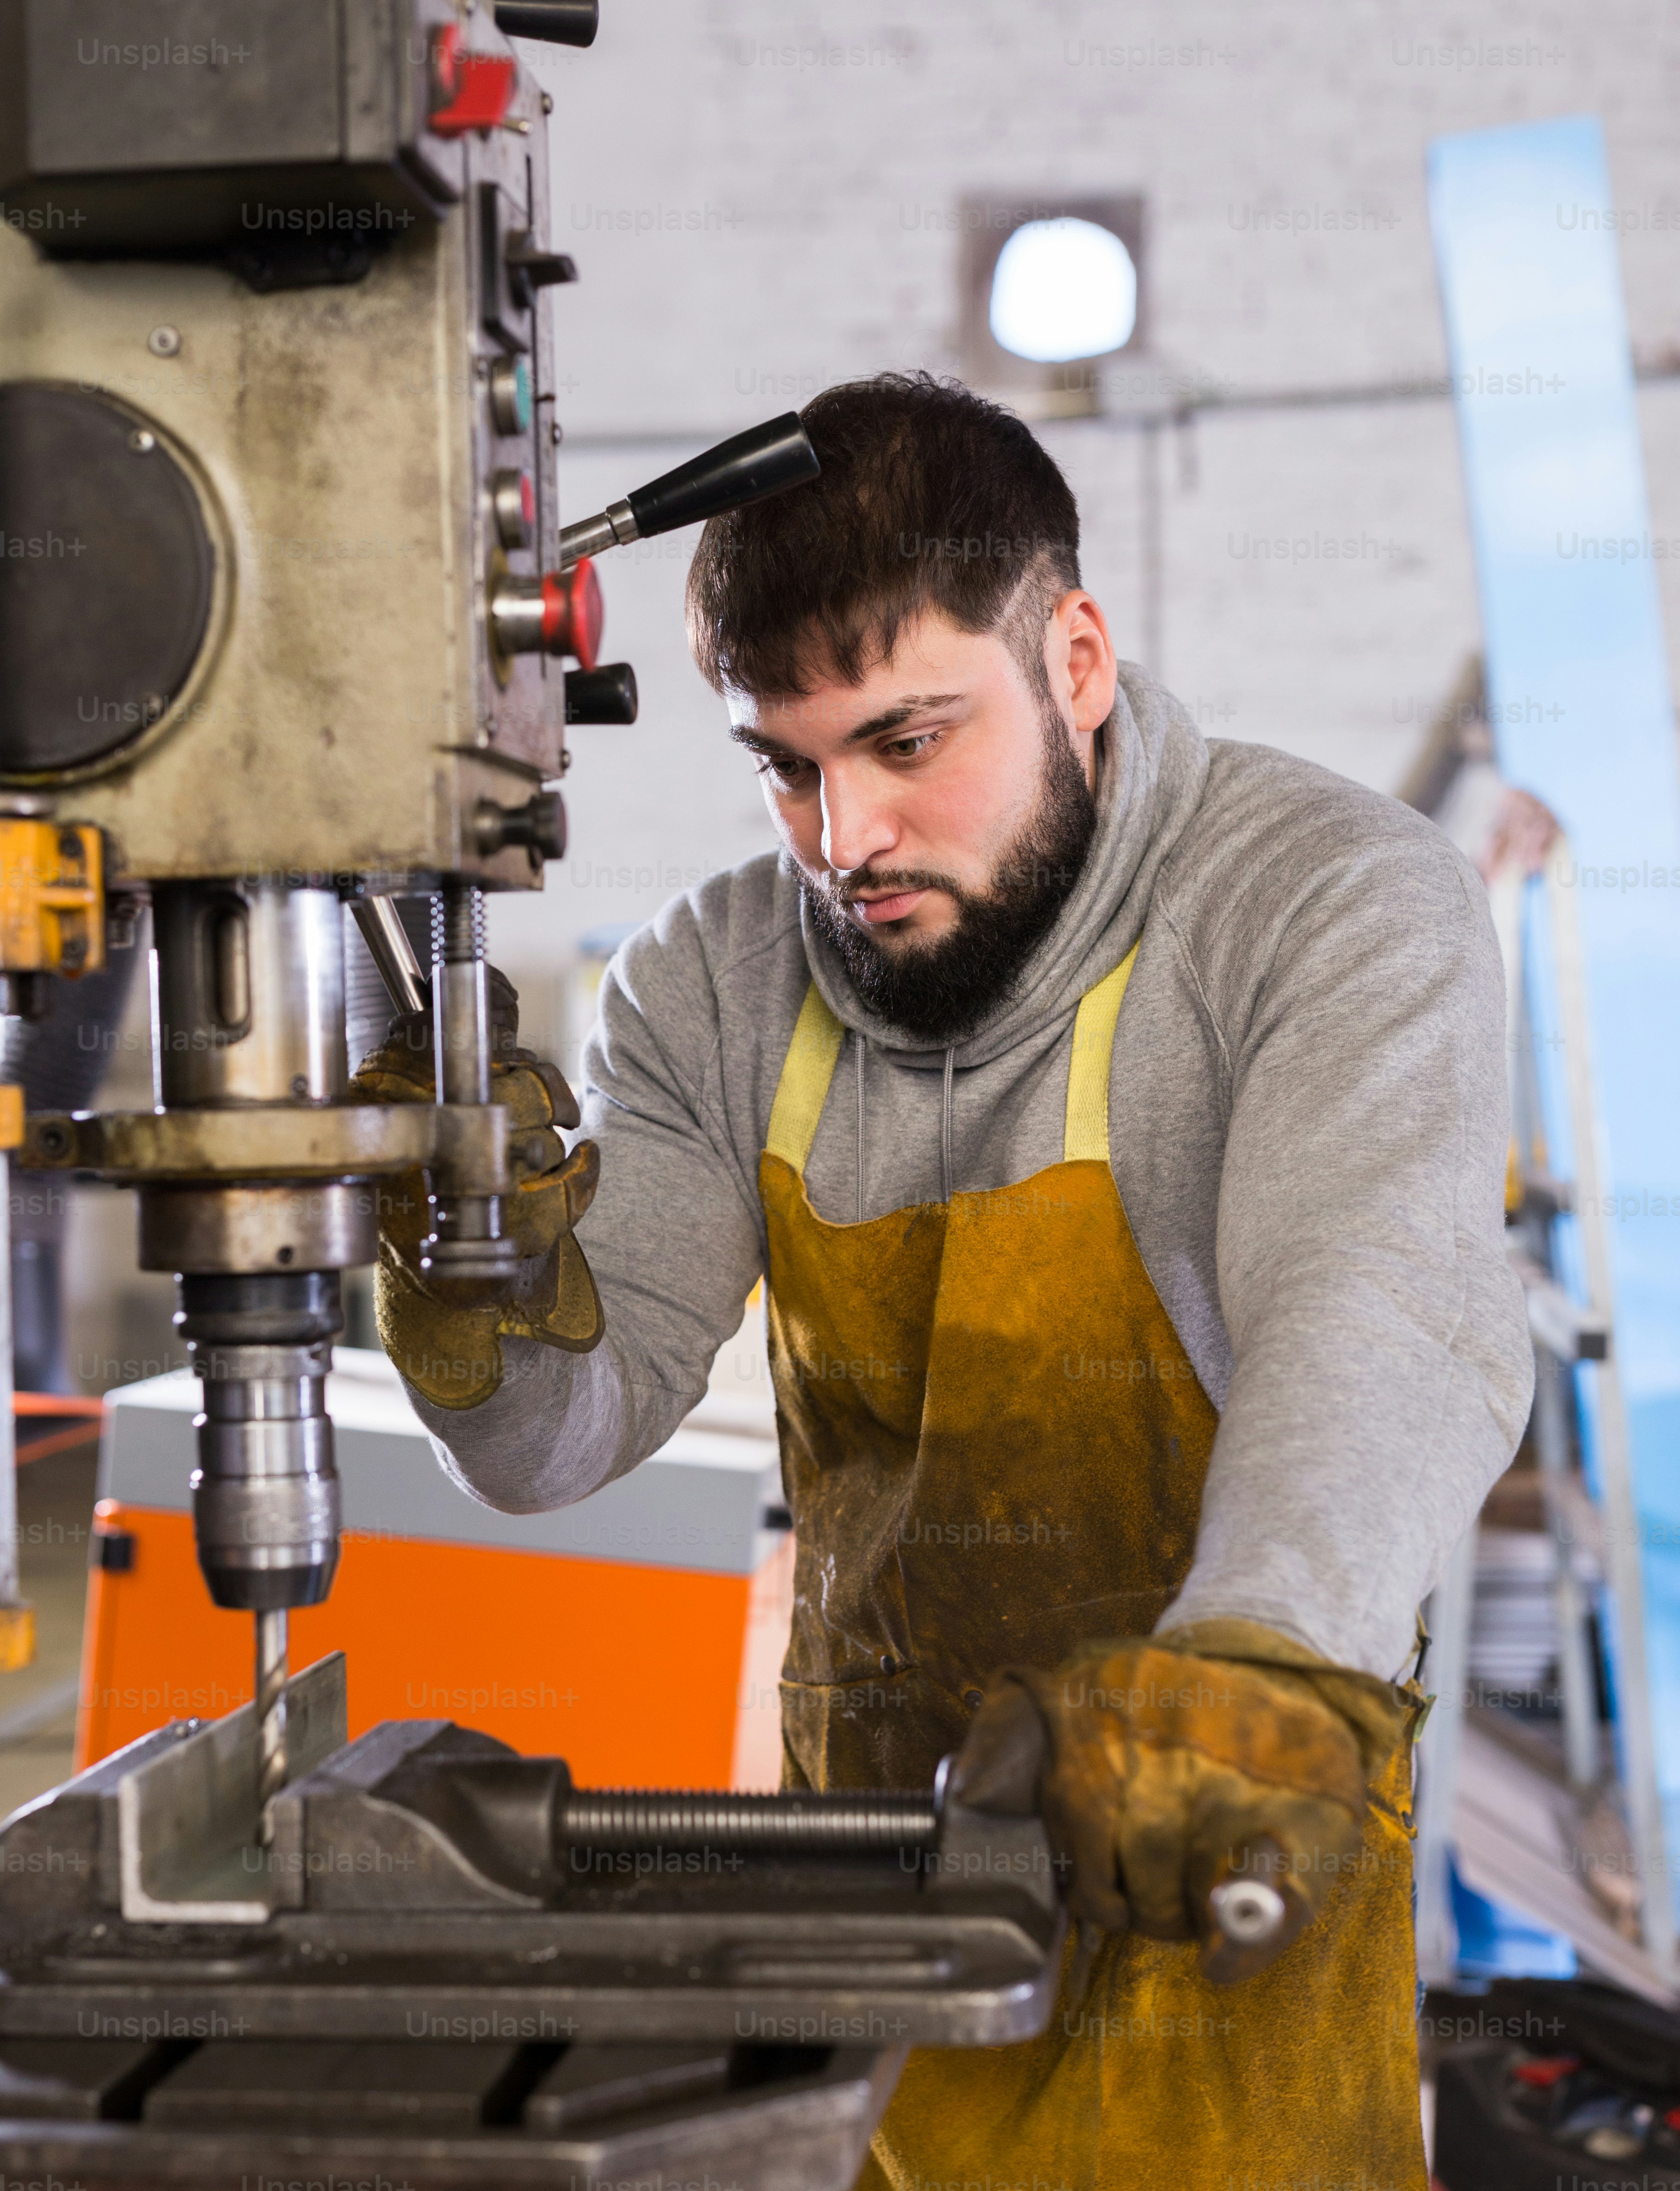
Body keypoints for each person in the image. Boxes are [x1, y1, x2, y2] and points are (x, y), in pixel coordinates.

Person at [360, 371, 1533, 2188]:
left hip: (1224, 1942)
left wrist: (1260, 1662)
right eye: (789, 765)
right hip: (870, 1952)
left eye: (910, 742)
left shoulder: (1326, 907)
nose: (846, 844)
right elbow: (550, 1443)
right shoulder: (715, 978)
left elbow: (1375, 1324)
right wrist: (465, 1273)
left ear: (1074, 656)